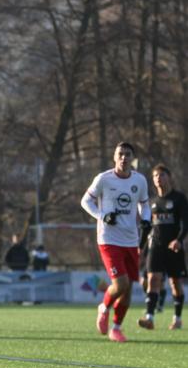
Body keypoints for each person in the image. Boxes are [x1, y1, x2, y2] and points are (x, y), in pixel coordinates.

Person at [80, 141, 150, 342]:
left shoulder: (140, 181)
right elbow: (85, 201)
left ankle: (116, 328)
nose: (124, 158)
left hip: (131, 241)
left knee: (127, 290)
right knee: (121, 284)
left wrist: (145, 219)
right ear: (114, 157)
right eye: (120, 154)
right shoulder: (104, 179)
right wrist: (102, 215)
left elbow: (144, 206)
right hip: (109, 239)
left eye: (128, 154)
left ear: (132, 158)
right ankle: (103, 307)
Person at [137, 164, 187, 331]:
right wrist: (140, 247)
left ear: (169, 177)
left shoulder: (179, 199)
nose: (159, 178)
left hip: (174, 248)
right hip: (155, 247)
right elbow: (146, 227)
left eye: (162, 175)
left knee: (175, 283)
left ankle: (177, 318)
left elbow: (186, 223)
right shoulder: (152, 203)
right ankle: (149, 318)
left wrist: (179, 240)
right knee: (152, 280)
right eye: (156, 176)